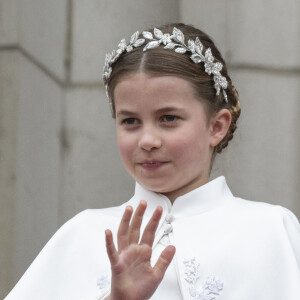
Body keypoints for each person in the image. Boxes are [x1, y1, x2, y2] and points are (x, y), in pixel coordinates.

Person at [5, 23, 300, 300]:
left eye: (168, 118)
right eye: (130, 121)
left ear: (216, 126)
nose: (147, 140)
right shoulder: (82, 234)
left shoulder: (270, 230)